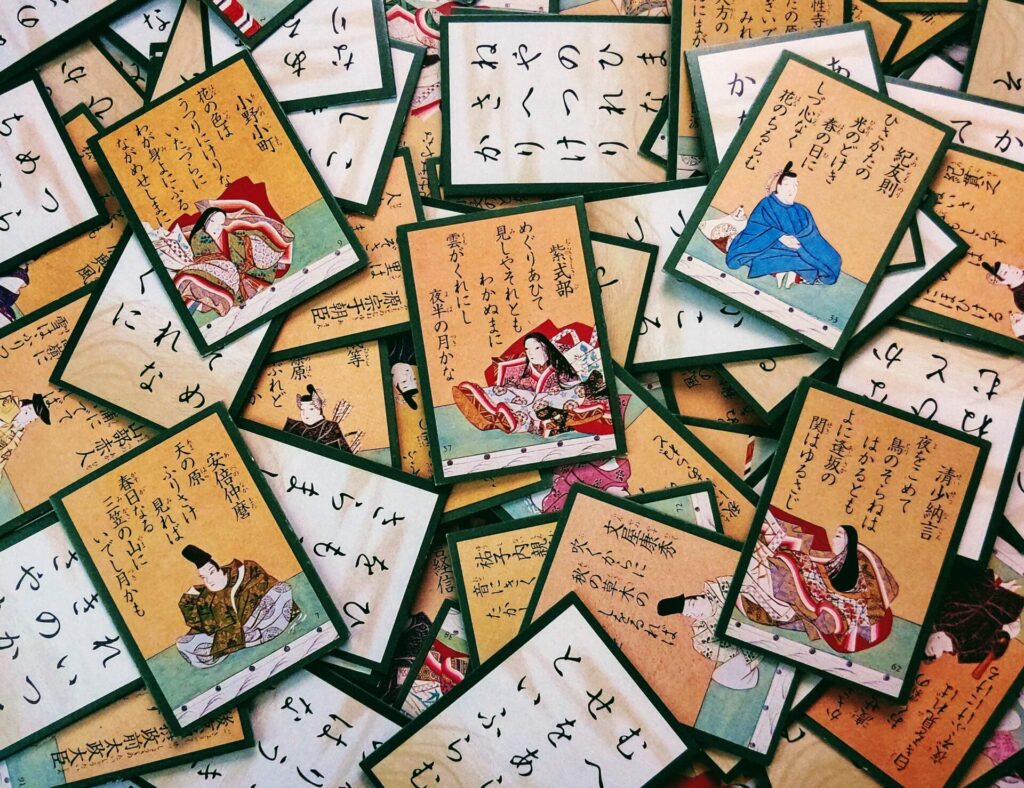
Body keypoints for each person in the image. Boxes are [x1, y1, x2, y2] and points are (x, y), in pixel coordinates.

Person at [737, 509, 899, 653]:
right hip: (819, 585)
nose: (834, 539)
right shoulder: (827, 559)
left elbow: (845, 601)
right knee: (805, 544)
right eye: (835, 535)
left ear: (849, 542)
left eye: (839, 536)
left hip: (835, 605)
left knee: (786, 573)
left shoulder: (856, 568)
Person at [452, 327, 610, 437]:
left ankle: (509, 420)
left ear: (545, 347)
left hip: (558, 398)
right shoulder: (526, 367)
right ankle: (483, 399)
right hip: (537, 396)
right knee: (514, 393)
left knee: (540, 403)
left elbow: (575, 386)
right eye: (527, 350)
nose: (531, 354)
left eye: (535, 348)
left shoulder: (564, 356)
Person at [169, 180, 294, 317]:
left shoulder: (229, 237)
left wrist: (246, 246)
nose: (217, 227)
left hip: (233, 273)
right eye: (213, 221)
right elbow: (205, 256)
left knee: (247, 255)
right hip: (211, 269)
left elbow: (241, 248)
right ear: (206, 221)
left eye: (221, 223)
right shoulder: (198, 237)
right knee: (202, 281)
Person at [176, 545, 301, 668]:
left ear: (218, 568)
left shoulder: (243, 571)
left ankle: (241, 640)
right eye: (204, 577)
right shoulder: (204, 597)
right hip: (229, 634)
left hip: (254, 621)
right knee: (184, 645)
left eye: (211, 572)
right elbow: (198, 620)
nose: (209, 580)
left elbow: (264, 583)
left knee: (281, 589)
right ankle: (246, 638)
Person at [725, 162, 842, 289]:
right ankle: (788, 270)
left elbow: (812, 234)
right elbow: (756, 228)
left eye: (795, 185)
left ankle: (791, 269)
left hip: (799, 245)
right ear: (778, 186)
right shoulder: (767, 204)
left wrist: (800, 243)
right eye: (786, 184)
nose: (792, 189)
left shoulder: (802, 210)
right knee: (799, 260)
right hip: (770, 245)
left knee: (833, 259)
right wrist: (780, 237)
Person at [658, 578, 762, 690]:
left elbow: (746, 584)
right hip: (751, 647)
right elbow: (730, 654)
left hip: (757, 615)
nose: (695, 613)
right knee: (719, 676)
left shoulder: (719, 587)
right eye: (689, 614)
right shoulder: (702, 637)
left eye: (693, 605)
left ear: (699, 596)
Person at [923, 566, 1023, 677]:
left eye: (930, 646)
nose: (933, 643)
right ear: (938, 656)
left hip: (987, 583)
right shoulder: (966, 651)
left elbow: (959, 594)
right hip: (1002, 606)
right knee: (1012, 629)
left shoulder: (939, 619)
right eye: (932, 650)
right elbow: (997, 641)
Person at [283, 384, 351, 452]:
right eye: (302, 409)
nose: (305, 413)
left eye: (311, 409)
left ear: (319, 408)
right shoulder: (294, 425)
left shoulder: (331, 427)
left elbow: (346, 454)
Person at [0, 392, 50, 477]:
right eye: (27, 414)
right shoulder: (5, 410)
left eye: (30, 420)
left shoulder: (17, 433)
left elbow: (4, 456)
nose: (26, 421)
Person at [390, 334, 420, 410]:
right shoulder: (415, 356)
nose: (408, 375)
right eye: (413, 379)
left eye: (404, 381)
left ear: (395, 382)